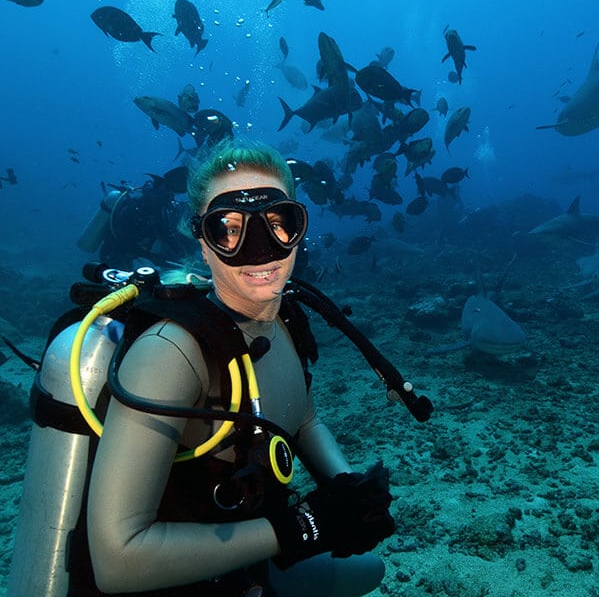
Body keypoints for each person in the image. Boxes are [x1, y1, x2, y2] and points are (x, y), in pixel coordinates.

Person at [78, 139, 395, 595]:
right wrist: (301, 527)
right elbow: (116, 560)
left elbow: (301, 419)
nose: (261, 251)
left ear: (299, 230)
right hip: (170, 583)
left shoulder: (285, 318)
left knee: (369, 569)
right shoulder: (172, 354)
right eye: (228, 229)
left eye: (278, 224)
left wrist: (347, 488)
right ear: (202, 244)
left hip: (244, 568)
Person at [77, 176, 198, 270]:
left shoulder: (157, 213)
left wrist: (181, 255)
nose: (171, 199)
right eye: (168, 194)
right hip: (113, 254)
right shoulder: (134, 210)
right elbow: (125, 241)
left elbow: (165, 234)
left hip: (127, 256)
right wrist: (152, 257)